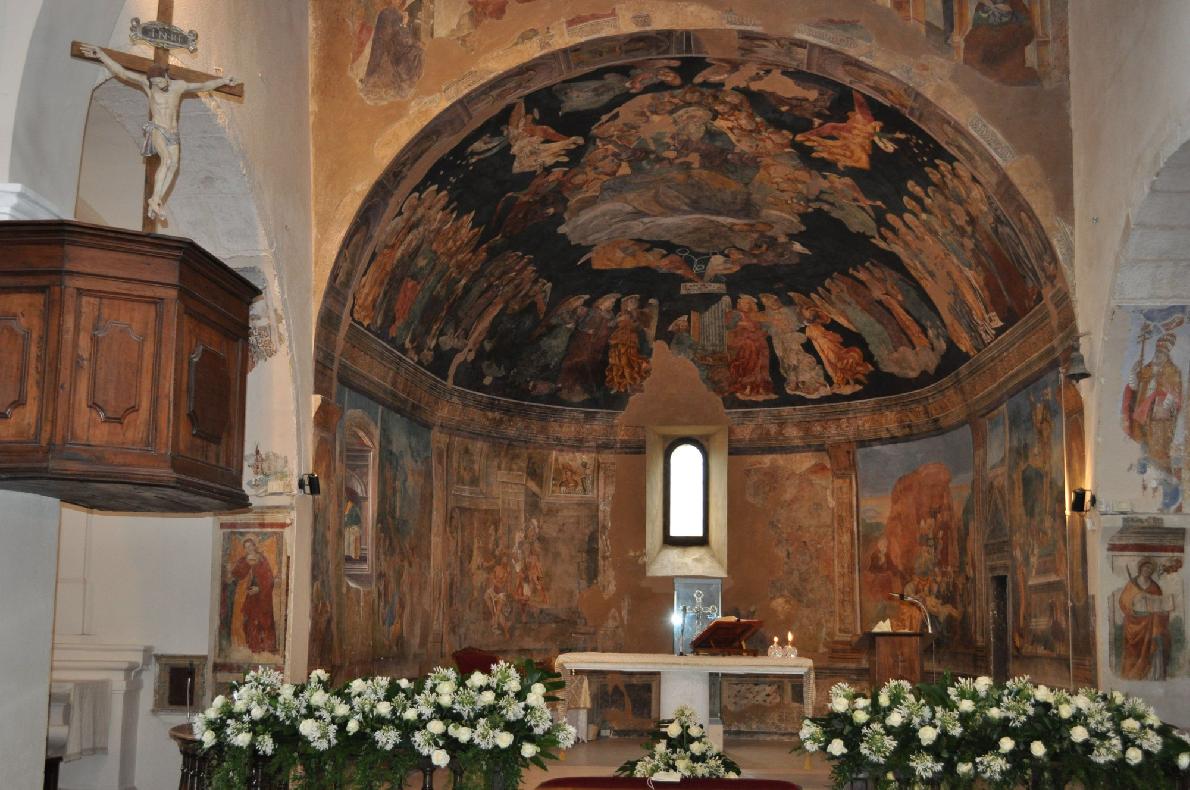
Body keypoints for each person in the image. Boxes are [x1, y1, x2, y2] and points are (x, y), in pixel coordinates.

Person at [79, 44, 238, 219]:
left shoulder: (179, 86)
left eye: (159, 82)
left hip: (173, 133)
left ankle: (156, 200)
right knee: (166, 160)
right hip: (158, 129)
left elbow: (202, 86)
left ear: (166, 77)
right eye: (154, 83)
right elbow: (123, 73)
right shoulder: (148, 86)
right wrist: (102, 55)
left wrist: (223, 81)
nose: (156, 85)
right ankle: (154, 200)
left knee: (174, 166)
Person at [1118, 560, 1171, 680]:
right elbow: (1123, 602)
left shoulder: (1155, 587)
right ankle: (1131, 676)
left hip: (1151, 624)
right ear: (1140, 568)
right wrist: (1135, 600)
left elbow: (1159, 604)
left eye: (1150, 569)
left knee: (1153, 647)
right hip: (1134, 623)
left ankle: (1151, 677)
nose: (1147, 570)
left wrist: (1163, 610)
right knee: (1133, 652)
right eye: (1145, 567)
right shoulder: (1132, 585)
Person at [230, 538, 277, 654]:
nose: (249, 549)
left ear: (255, 546)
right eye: (246, 547)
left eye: (250, 546)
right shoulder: (243, 560)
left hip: (262, 597)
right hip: (249, 596)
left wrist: (259, 589)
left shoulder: (262, 559)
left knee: (263, 621)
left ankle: (266, 648)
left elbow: (269, 579)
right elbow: (236, 574)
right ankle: (254, 647)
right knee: (250, 621)